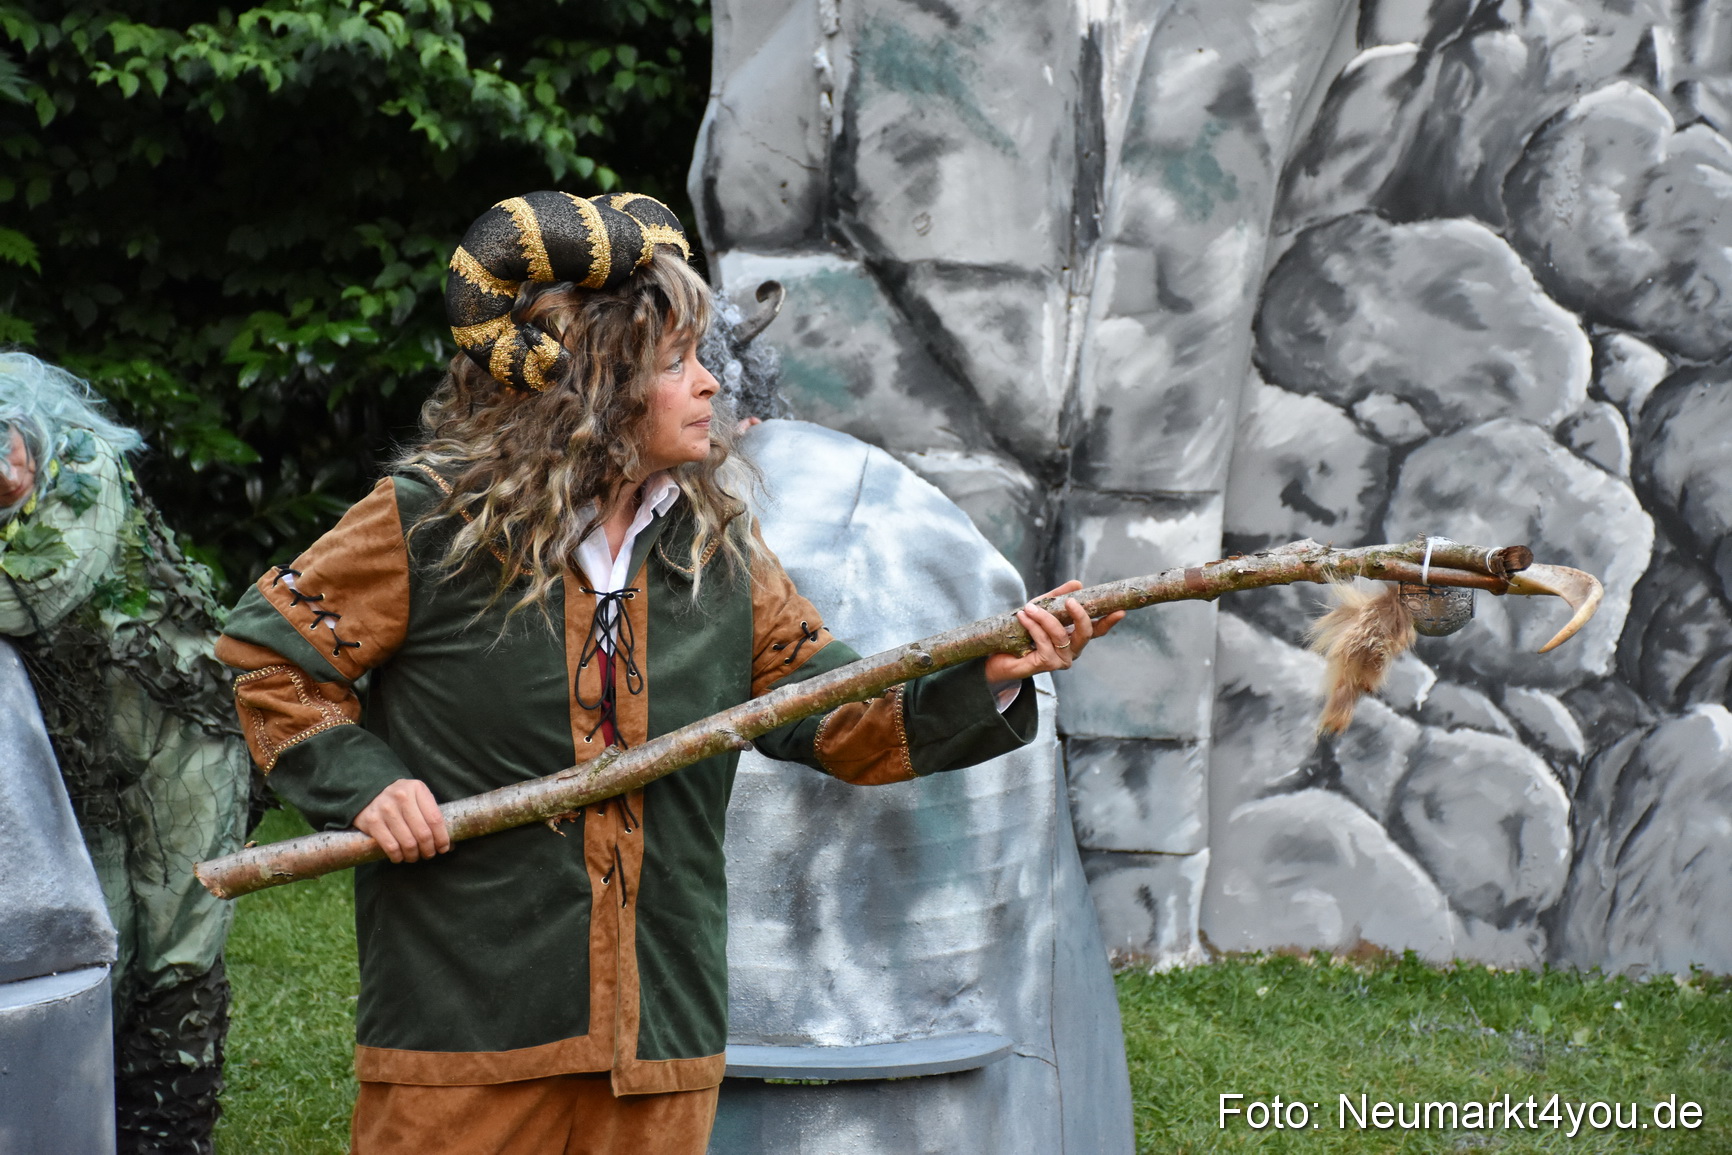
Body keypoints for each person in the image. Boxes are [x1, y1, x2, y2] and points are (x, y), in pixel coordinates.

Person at [214, 191, 1123, 1155]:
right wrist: (366, 783)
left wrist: (988, 675)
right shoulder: (432, 523)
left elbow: (836, 713)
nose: (709, 387)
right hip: (464, 1030)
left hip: (661, 1037)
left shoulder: (714, 548)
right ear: (596, 386)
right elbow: (272, 654)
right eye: (679, 363)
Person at [0, 351, 253, 1155]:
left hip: (184, 743)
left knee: (179, 945)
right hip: (87, 758)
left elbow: (39, 588)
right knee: (97, 943)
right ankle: (87, 1123)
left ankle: (171, 1134)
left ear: (24, 431)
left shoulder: (82, 465)